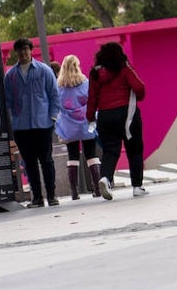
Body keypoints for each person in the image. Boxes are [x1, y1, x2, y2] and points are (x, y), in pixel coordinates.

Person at [4, 38, 61, 208]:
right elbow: (8, 99)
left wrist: (52, 117)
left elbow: (54, 95)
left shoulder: (44, 70)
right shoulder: (11, 75)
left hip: (43, 123)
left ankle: (51, 195)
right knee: (29, 163)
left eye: (26, 49)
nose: (23, 53)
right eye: (20, 50)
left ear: (31, 50)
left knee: (46, 160)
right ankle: (37, 198)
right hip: (21, 126)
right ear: (16, 52)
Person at [87, 41, 147, 199]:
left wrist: (90, 117)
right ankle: (137, 186)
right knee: (134, 149)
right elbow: (139, 88)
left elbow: (92, 98)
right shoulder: (125, 69)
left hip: (105, 116)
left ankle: (105, 178)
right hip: (127, 114)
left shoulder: (95, 74)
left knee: (110, 151)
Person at [54, 54, 101, 200]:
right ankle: (97, 188)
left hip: (69, 126)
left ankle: (74, 192)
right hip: (85, 123)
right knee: (91, 155)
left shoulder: (59, 85)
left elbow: (58, 105)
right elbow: (92, 100)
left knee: (72, 156)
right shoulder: (85, 82)